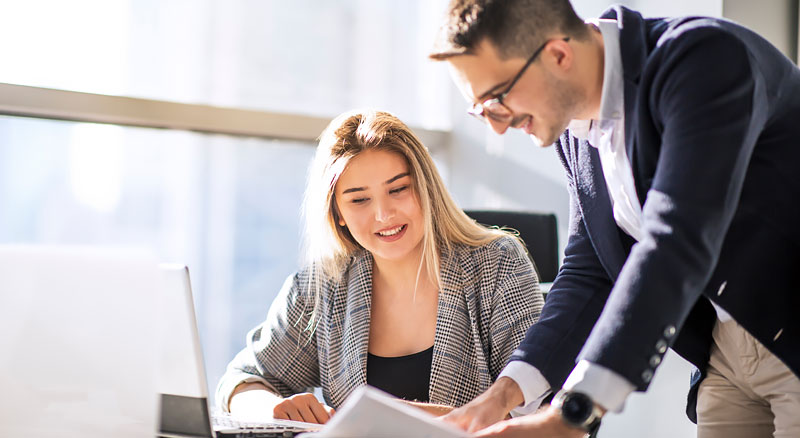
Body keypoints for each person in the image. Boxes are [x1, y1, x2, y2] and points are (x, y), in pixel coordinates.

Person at [428, 1, 800, 437]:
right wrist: (503, 395)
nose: (496, 126)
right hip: (725, 355)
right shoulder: (575, 131)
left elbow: (676, 239)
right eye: (481, 109)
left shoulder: (703, 59)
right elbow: (590, 271)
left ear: (558, 55)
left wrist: (574, 413)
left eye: (497, 98)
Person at [215, 109, 544, 424]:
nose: (384, 215)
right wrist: (271, 409)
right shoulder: (324, 285)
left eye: (398, 189)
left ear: (425, 186)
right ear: (337, 212)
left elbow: (537, 407)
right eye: (359, 199)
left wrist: (382, 419)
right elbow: (242, 380)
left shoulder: (496, 263)